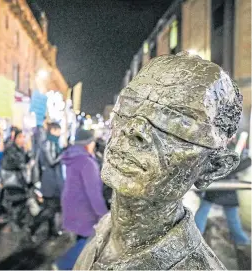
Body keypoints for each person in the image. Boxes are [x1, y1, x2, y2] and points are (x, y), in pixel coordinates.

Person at [74, 52, 243, 270]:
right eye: (129, 106)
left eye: (176, 123)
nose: (134, 128)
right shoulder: (104, 231)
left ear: (213, 167)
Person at [195, 135, 251, 267]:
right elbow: (222, 165)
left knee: (231, 217)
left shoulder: (235, 146)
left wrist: (244, 159)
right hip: (217, 184)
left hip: (227, 186)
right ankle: (196, 236)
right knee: (204, 211)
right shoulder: (219, 145)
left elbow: (239, 165)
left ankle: (242, 242)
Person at [56, 129, 108, 269]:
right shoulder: (87, 163)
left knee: (82, 238)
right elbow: (94, 193)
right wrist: (103, 215)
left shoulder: (72, 157)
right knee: (88, 242)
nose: (93, 145)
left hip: (71, 203)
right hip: (84, 208)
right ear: (87, 143)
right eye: (92, 142)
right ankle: (64, 265)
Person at [30, 122, 64, 238]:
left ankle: (52, 231)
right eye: (58, 131)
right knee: (49, 208)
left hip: (53, 180)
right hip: (50, 181)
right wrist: (64, 154)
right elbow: (52, 161)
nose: (60, 133)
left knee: (52, 208)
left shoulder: (52, 143)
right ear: (53, 131)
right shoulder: (49, 144)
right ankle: (34, 224)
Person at [0, 128, 32, 230]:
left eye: (24, 137)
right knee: (15, 204)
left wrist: (28, 152)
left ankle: (20, 225)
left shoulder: (21, 148)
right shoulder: (10, 149)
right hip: (13, 182)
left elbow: (27, 160)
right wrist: (23, 165)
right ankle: (15, 227)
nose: (23, 139)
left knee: (21, 204)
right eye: (20, 137)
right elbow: (10, 163)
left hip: (21, 181)